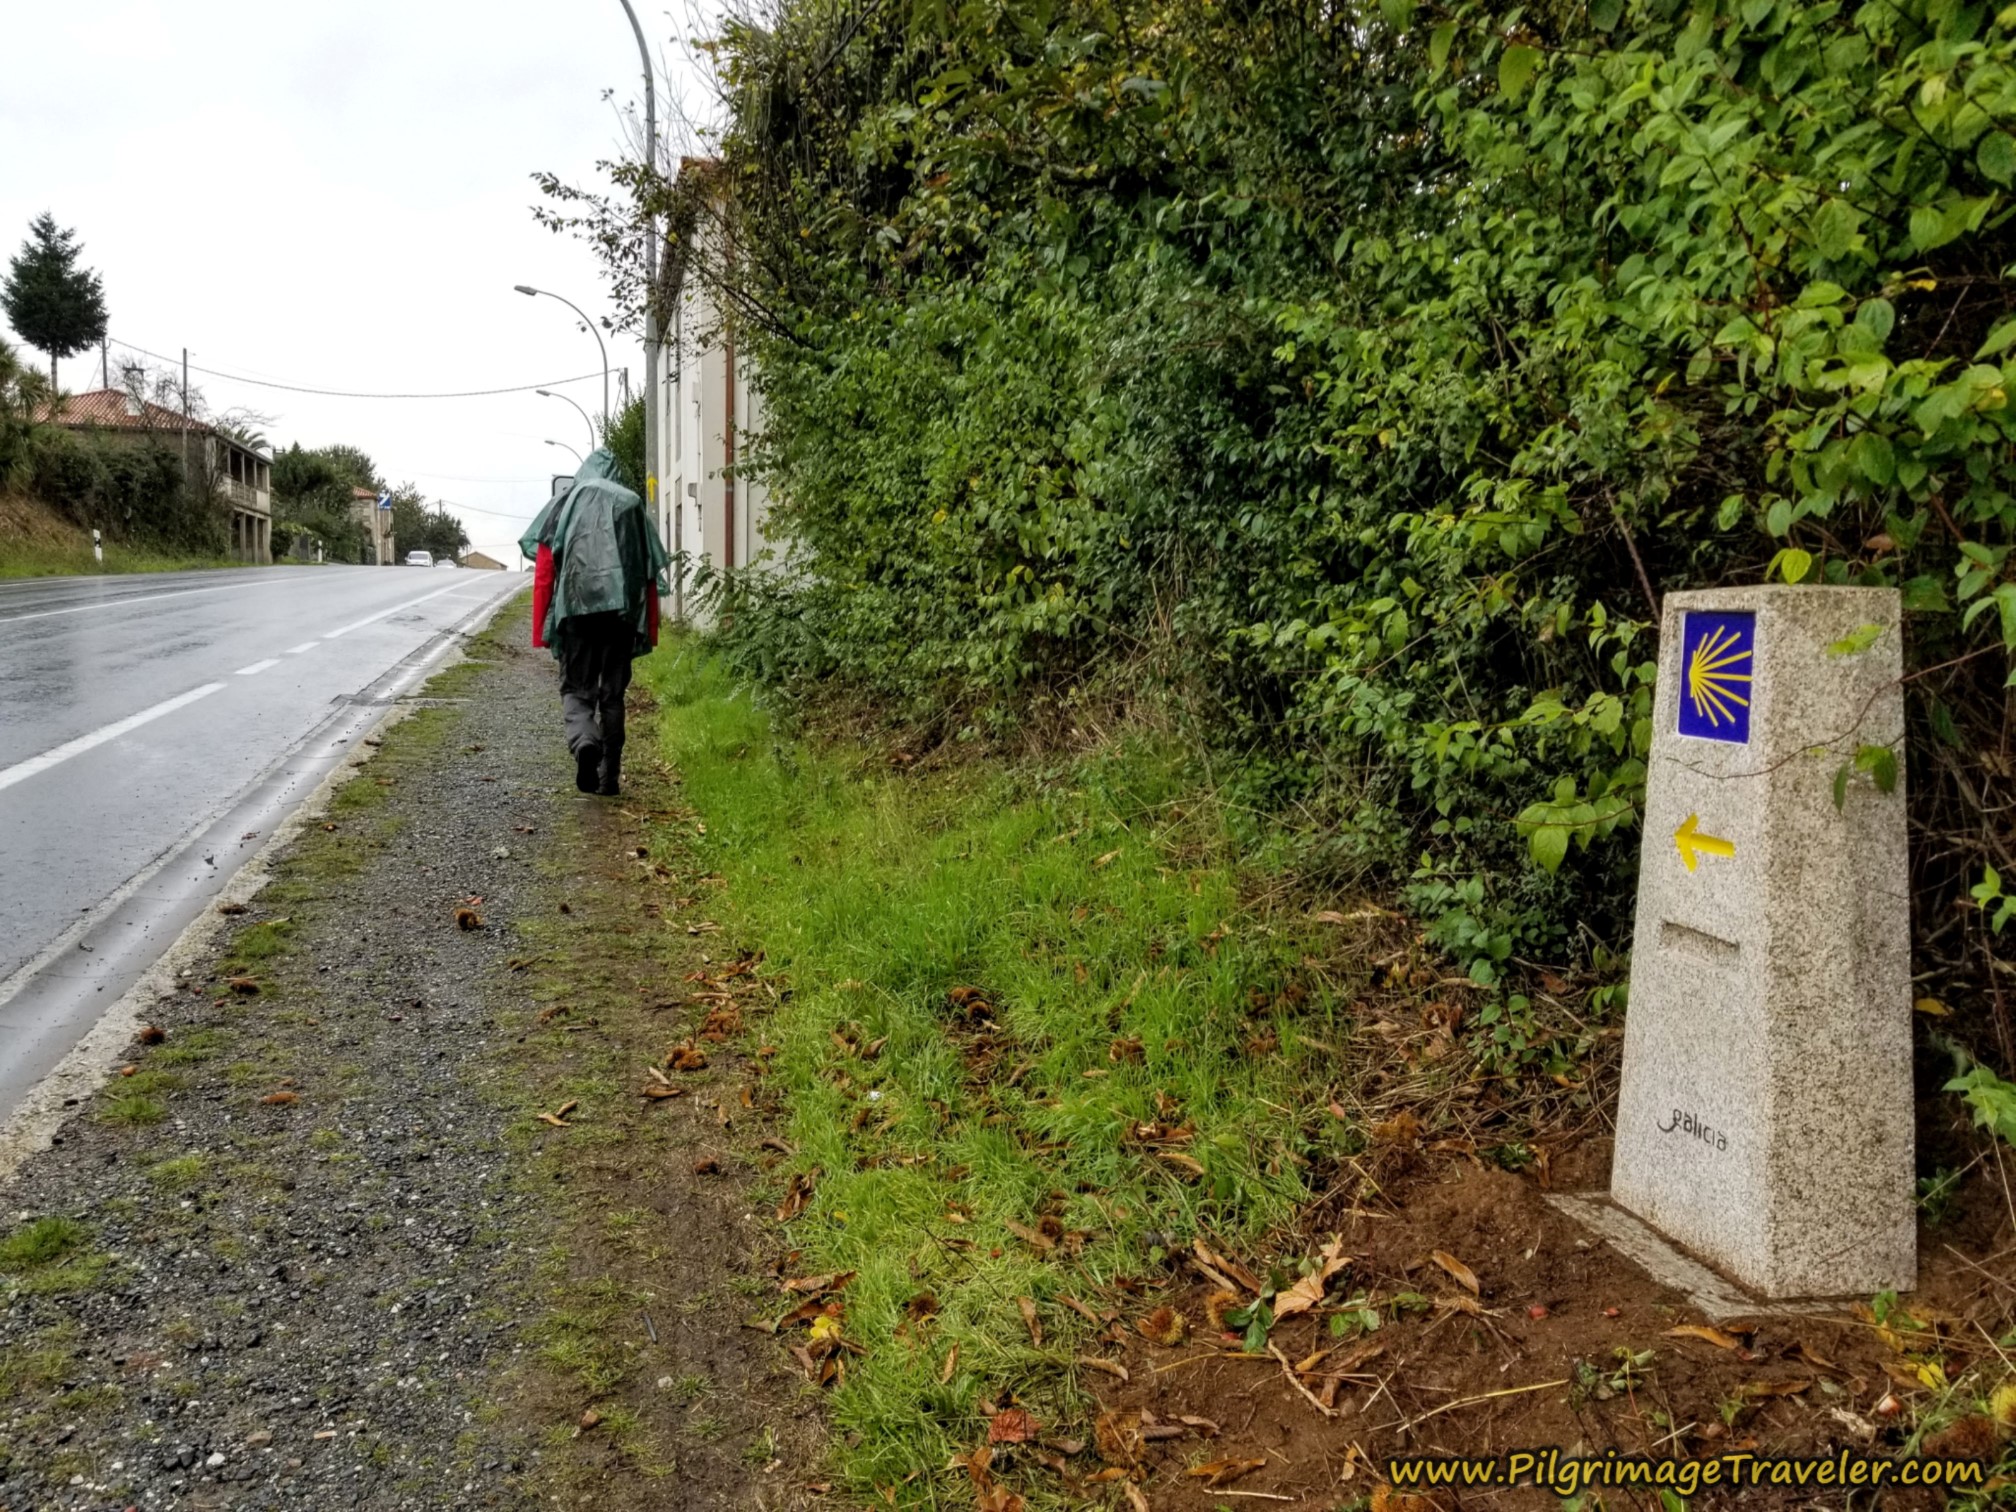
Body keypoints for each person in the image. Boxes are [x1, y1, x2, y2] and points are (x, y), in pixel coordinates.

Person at [519, 450, 669, 797]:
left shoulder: (566, 502)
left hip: (576, 612)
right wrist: (650, 628)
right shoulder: (631, 505)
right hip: (620, 617)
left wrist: (541, 630)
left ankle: (585, 741)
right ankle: (608, 778)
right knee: (613, 697)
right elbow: (648, 571)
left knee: (576, 689)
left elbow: (544, 572)